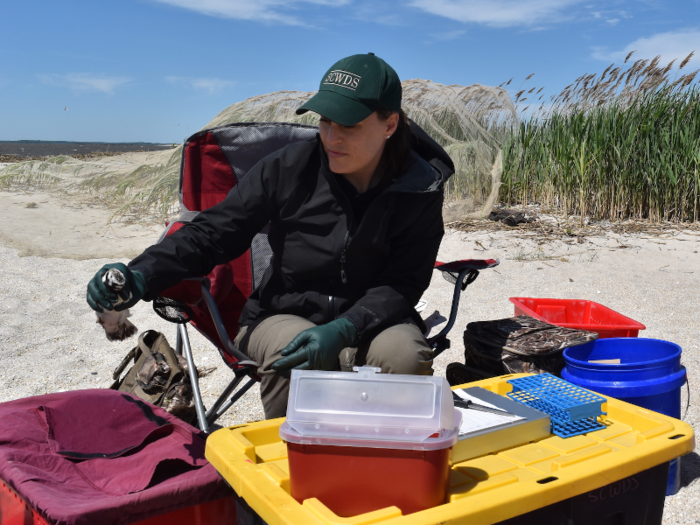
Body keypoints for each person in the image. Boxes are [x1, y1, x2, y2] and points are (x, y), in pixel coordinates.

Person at [86, 53, 454, 419]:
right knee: (295, 356)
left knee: (404, 357)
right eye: (325, 120)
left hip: (375, 316)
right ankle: (295, 467)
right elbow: (213, 233)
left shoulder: (420, 187)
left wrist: (346, 328)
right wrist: (141, 274)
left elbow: (404, 282)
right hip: (282, 311)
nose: (331, 137)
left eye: (350, 125)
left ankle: (391, 461)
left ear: (390, 124)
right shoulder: (289, 167)